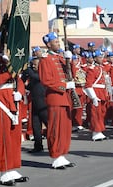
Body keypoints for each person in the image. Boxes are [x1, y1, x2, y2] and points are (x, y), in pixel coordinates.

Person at [38, 32, 76, 169]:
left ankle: (62, 154)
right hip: (55, 98)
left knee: (65, 129)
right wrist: (64, 86)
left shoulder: (61, 57)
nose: (58, 44)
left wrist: (70, 61)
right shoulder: (45, 59)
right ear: (48, 44)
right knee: (56, 128)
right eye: (55, 42)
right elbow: (46, 81)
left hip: (65, 98)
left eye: (58, 42)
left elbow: (71, 74)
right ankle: (55, 155)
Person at [0, 53, 29, 185]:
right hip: (1, 101)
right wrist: (10, 68)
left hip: (13, 100)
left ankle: (12, 167)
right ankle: (4, 170)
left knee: (14, 137)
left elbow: (19, 80)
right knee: (3, 138)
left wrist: (20, 92)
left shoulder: (8, 60)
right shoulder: (4, 62)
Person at [22, 57, 48, 153]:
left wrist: (27, 69)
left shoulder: (43, 74)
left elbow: (35, 77)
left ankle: (54, 145)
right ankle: (38, 146)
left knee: (49, 125)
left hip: (44, 104)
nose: (33, 66)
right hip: (35, 104)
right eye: (32, 64)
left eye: (35, 64)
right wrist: (24, 75)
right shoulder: (33, 76)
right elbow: (28, 86)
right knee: (36, 126)